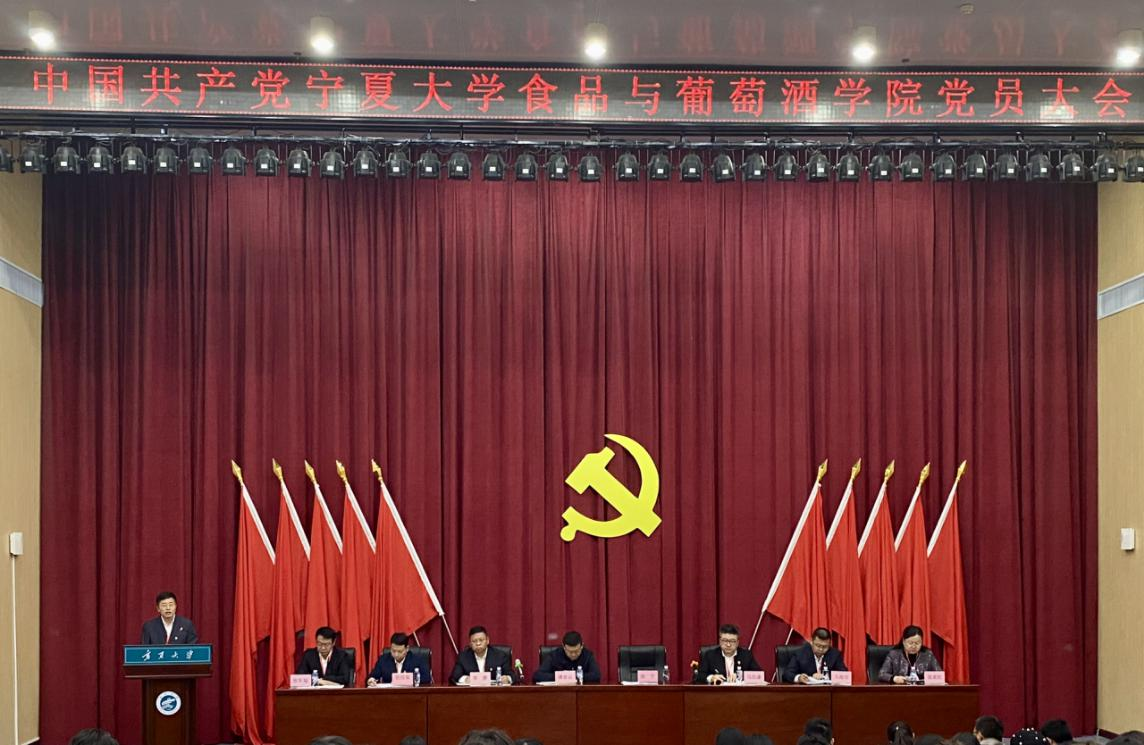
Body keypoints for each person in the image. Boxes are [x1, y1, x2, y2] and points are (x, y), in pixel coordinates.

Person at [698, 624, 763, 684]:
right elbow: (699, 676)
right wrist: (711, 677)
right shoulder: (710, 655)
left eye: (732, 641)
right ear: (720, 641)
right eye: (725, 640)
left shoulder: (746, 655)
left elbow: (759, 674)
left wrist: (741, 676)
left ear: (737, 642)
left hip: (739, 691)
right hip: (718, 691)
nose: (728, 645)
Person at [449, 626, 514, 685]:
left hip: (494, 692)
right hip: (472, 692)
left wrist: (507, 678)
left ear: (487, 640)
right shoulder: (463, 657)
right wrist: (465, 679)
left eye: (481, 640)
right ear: (470, 644)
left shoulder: (500, 656)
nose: (478, 643)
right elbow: (454, 676)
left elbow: (512, 676)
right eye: (474, 641)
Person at [531, 631, 601, 683]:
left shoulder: (588, 655)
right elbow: (537, 676)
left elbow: (596, 676)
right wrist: (561, 676)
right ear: (563, 647)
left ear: (582, 646)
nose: (573, 654)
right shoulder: (554, 656)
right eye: (570, 652)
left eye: (576, 651)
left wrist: (573, 676)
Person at [782, 628, 847, 683]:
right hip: (807, 691)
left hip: (828, 691)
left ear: (829, 644)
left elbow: (844, 674)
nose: (821, 649)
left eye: (825, 647)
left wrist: (825, 676)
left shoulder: (835, 654)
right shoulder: (800, 653)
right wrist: (799, 678)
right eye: (818, 645)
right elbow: (787, 674)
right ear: (811, 642)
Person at [367, 632, 432, 686]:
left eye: (400, 651)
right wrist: (370, 680)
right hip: (390, 695)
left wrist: (406, 679)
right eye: (393, 651)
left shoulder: (418, 660)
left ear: (407, 649)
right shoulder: (383, 659)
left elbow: (426, 678)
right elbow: (373, 675)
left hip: (411, 694)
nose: (396, 654)